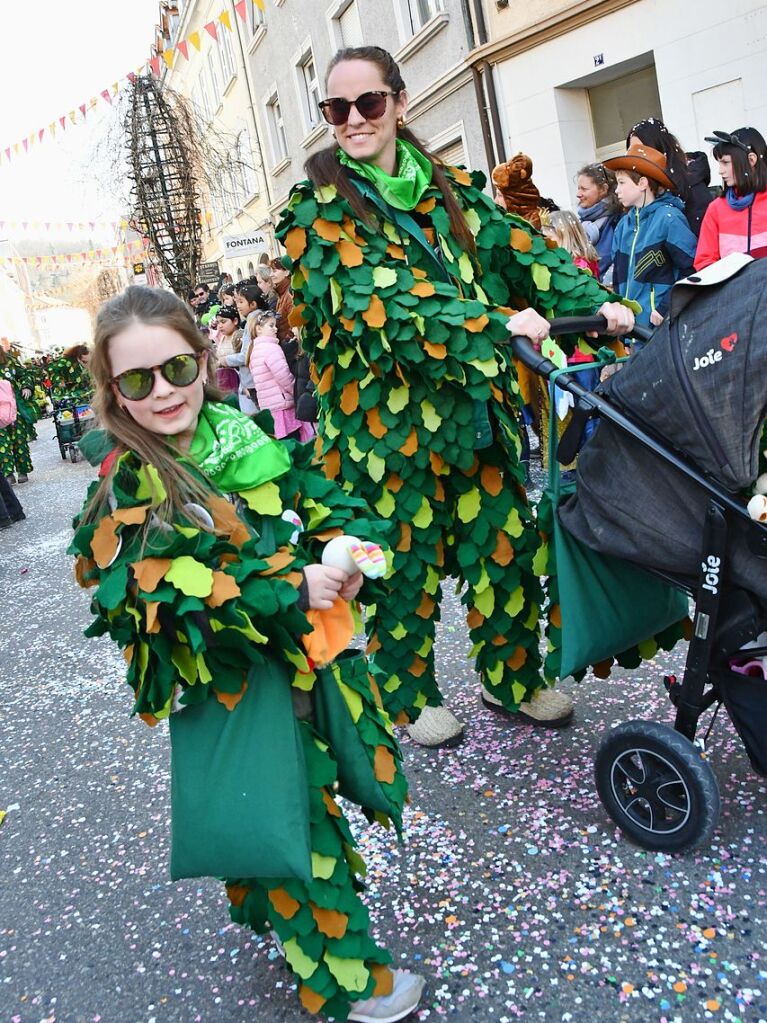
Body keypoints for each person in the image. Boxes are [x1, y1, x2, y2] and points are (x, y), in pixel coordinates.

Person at [70, 285, 424, 1023]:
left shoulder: (241, 435)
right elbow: (160, 599)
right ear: (114, 392)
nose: (163, 392)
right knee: (293, 818)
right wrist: (291, 586)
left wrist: (343, 545)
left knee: (259, 808)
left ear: (203, 359)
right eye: (138, 381)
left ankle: (264, 906)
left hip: (301, 664)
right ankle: (347, 977)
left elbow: (317, 495)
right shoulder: (128, 485)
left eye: (176, 368)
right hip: (237, 687)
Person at [276, 45, 634, 747]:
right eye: (335, 109)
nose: (352, 120)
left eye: (367, 103)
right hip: (384, 437)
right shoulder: (314, 212)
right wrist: (494, 324)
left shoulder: (451, 188)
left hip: (477, 415)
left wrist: (599, 302)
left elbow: (519, 253)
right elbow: (380, 304)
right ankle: (407, 695)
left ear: (399, 103)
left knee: (500, 549)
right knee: (400, 570)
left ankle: (512, 677)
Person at [605, 140, 697, 328]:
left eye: (622, 182)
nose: (617, 189)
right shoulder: (623, 226)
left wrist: (665, 307)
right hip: (630, 331)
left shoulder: (669, 219)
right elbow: (617, 279)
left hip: (661, 327)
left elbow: (692, 269)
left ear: (642, 183)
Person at [694, 127, 767, 269]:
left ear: (751, 160)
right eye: (719, 163)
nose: (720, 171)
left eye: (725, 163)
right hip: (737, 291)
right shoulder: (716, 209)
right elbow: (704, 261)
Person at [246, 310, 314, 442]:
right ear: (259, 329)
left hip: (269, 406)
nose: (275, 328)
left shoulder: (255, 349)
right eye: (271, 325)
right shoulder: (271, 348)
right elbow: (283, 376)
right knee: (294, 443)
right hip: (282, 405)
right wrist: (295, 391)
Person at [575, 162, 622, 283]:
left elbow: (620, 261)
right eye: (578, 188)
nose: (578, 194)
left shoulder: (619, 220)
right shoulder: (581, 221)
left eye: (584, 189)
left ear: (603, 189)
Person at [0, 346, 39, 484]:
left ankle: (23, 470)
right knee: (1, 442)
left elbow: (25, 375)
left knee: (19, 439)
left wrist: (26, 386)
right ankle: (8, 473)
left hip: (14, 408)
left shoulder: (9, 361)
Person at [212, 305, 242, 394]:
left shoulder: (239, 336)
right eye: (218, 322)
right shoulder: (223, 338)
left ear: (235, 321)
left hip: (239, 381)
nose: (220, 326)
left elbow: (243, 358)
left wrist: (223, 361)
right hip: (225, 382)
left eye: (223, 322)